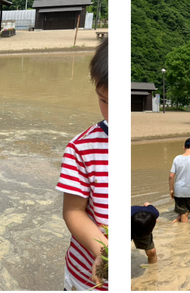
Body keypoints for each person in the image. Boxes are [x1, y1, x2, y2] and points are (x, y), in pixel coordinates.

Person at [58, 36, 114, 292]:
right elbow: (73, 211)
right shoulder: (81, 148)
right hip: (85, 276)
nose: (111, 112)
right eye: (104, 101)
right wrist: (102, 251)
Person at [127, 203, 159, 267]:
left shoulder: (154, 213)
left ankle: (153, 269)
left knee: (151, 251)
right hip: (130, 226)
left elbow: (147, 203)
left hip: (145, 226)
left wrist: (146, 204)